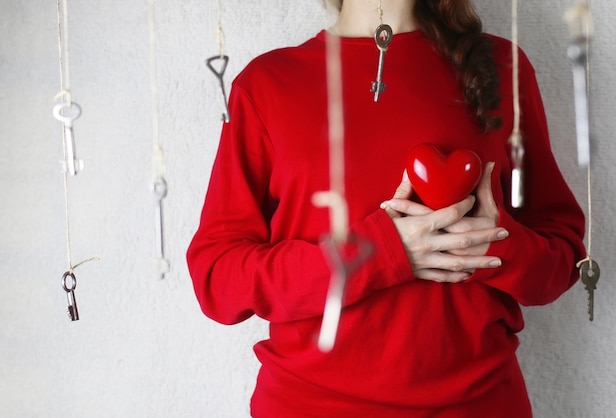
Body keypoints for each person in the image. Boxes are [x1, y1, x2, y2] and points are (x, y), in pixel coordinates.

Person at [187, 0, 586, 416]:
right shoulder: (267, 84)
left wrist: (493, 242)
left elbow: (564, 257)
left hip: (479, 404)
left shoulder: (503, 66)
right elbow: (218, 279)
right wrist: (377, 254)